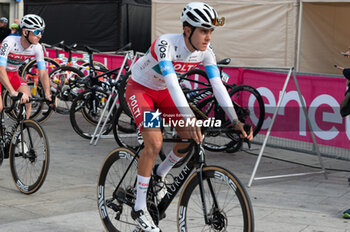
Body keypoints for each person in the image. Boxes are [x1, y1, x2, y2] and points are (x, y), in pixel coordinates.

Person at [125, 2, 253, 231]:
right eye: (203, 31)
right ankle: (140, 207)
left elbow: (217, 86)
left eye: (211, 31)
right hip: (141, 90)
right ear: (187, 29)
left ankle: (160, 173)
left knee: (190, 137)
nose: (208, 37)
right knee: (154, 143)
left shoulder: (206, 52)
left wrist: (235, 119)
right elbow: (174, 82)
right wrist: (188, 116)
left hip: (163, 93)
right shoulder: (166, 44)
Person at [0, 14, 53, 118]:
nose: (40, 36)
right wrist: (12, 92)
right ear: (25, 32)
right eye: (37, 32)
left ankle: (20, 132)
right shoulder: (9, 42)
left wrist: (47, 93)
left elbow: (43, 72)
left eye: (41, 32)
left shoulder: (37, 47)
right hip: (1, 72)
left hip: (12, 74)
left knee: (28, 100)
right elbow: (1, 69)